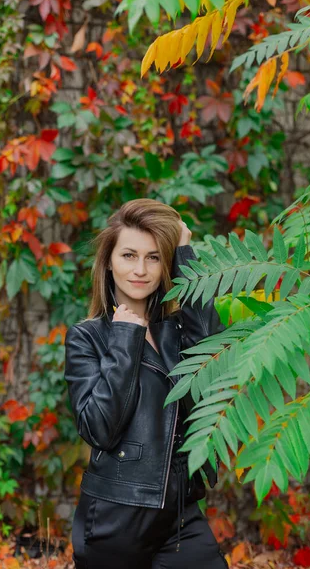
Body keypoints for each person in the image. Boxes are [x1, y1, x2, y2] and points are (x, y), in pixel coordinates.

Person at [64, 199, 228, 569]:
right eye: (129, 255)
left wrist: (184, 252)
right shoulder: (86, 338)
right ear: (109, 262)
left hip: (180, 515)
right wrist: (125, 336)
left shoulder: (177, 331)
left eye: (154, 257)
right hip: (116, 517)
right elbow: (99, 428)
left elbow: (215, 357)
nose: (140, 270)